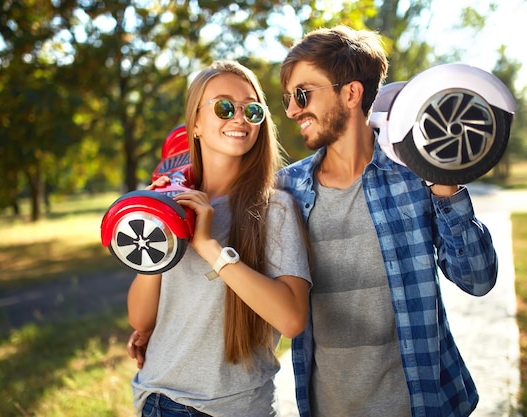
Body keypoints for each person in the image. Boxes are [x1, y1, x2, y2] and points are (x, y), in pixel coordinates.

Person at [276, 25, 498, 417]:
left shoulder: (416, 174)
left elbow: (478, 280)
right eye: (288, 98)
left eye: (303, 93)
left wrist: (444, 182)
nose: (292, 109)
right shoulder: (285, 191)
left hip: (427, 404)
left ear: (351, 93)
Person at [126, 59, 312, 417]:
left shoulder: (275, 209)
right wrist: (158, 226)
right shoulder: (169, 204)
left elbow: (291, 320)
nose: (239, 118)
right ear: (195, 122)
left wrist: (210, 248)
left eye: (251, 109)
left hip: (235, 408)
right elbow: (141, 319)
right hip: (159, 400)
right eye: (225, 107)